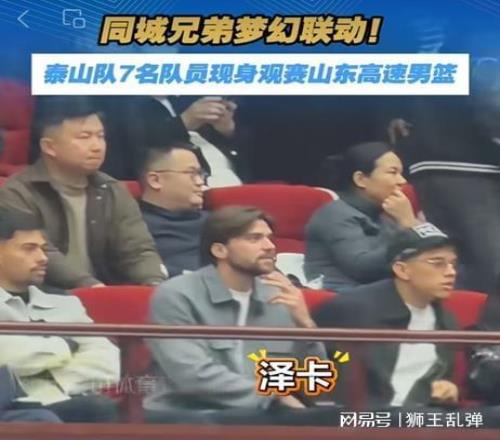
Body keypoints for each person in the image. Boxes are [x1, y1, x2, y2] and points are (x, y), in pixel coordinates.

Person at [144, 206, 330, 424]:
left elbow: (314, 383)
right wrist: (273, 397)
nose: (270, 246)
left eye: (270, 238)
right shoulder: (177, 295)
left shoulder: (279, 298)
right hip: (189, 413)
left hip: (262, 415)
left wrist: (305, 324)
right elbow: (191, 375)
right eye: (254, 238)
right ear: (220, 250)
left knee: (352, 420)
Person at [0, 96, 167, 289]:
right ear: (49, 147)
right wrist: (93, 288)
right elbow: (44, 253)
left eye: (101, 136)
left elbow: (138, 249)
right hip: (45, 295)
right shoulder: (18, 192)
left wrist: (154, 283)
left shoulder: (111, 189)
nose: (97, 146)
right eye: (84, 137)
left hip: (107, 291)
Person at [315, 223, 459, 408]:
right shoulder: (353, 310)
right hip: (367, 417)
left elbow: (438, 382)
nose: (451, 272)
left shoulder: (446, 321)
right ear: (402, 270)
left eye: (453, 264)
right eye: (438, 263)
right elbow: (322, 364)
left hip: (423, 415)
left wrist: (447, 390)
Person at [0, 207, 120, 422]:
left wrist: (52, 381)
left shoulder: (65, 303)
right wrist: (65, 345)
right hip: (9, 409)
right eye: (29, 249)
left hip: (67, 399)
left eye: (43, 249)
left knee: (101, 408)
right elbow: (6, 356)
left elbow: (108, 362)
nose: (43, 258)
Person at [304, 141, 419, 293]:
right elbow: (362, 267)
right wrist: (407, 226)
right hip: (340, 296)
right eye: (393, 172)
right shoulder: (334, 215)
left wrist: (411, 223)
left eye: (401, 174)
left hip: (379, 295)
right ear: (361, 179)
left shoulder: (386, 218)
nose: (402, 181)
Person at [100, 95, 246, 187]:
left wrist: (225, 130)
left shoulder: (187, 100)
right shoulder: (123, 106)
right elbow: (137, 151)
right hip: (182, 192)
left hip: (232, 185)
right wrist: (184, 122)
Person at [139, 142, 209, 278]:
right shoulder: (133, 226)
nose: (200, 182)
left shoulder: (216, 221)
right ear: (155, 180)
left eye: (201, 174)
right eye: (191, 173)